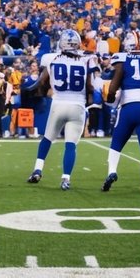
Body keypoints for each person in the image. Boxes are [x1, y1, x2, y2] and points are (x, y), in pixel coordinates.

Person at [26, 29, 97, 189]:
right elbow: (90, 86)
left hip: (58, 103)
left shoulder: (52, 58)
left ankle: (37, 169)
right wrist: (89, 100)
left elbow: (40, 82)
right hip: (77, 105)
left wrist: (29, 89)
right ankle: (66, 178)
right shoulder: (86, 60)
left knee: (47, 138)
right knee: (70, 144)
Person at [102, 31, 140, 194]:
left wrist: (110, 97)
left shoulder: (122, 59)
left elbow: (114, 86)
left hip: (128, 108)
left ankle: (112, 172)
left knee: (116, 143)